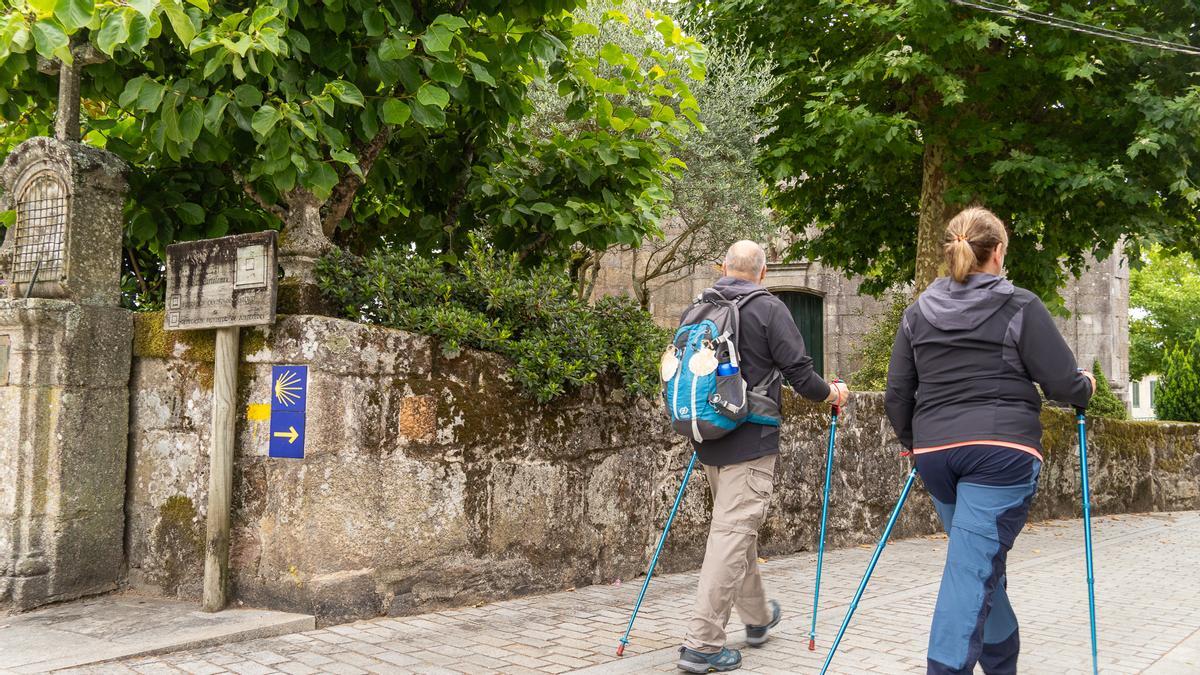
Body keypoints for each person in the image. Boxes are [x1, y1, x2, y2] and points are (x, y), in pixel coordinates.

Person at [885, 207, 1095, 675]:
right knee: (970, 570)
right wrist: (1087, 387)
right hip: (1000, 454)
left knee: (978, 565)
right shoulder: (1019, 305)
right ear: (998, 252)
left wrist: (914, 443)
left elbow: (898, 392)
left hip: (936, 455)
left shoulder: (917, 313)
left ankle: (1002, 663)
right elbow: (1062, 383)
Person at [677, 240, 849, 674]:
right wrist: (834, 393)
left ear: (723, 268)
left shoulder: (697, 309)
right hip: (751, 442)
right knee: (732, 535)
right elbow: (802, 377)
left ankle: (755, 619)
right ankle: (702, 643)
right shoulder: (768, 308)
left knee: (738, 532)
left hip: (708, 439)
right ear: (763, 273)